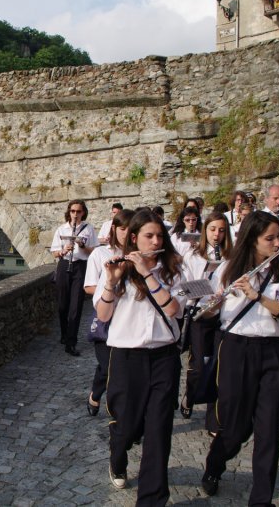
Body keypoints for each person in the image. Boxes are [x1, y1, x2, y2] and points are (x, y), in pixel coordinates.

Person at [200, 211, 279, 504]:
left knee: (270, 429)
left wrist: (259, 297)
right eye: (270, 237)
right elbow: (209, 313)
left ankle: (261, 499)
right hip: (237, 348)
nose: (278, 241)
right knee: (236, 427)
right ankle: (215, 464)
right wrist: (212, 304)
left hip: (273, 348)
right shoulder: (229, 269)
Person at [95, 210, 183, 503]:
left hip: (164, 357)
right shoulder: (118, 270)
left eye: (159, 236)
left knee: (158, 432)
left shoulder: (172, 269)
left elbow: (172, 309)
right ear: (134, 238)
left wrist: (146, 271)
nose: (155, 240)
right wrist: (111, 281)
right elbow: (102, 315)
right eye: (149, 236)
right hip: (126, 358)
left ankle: (152, 499)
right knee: (127, 426)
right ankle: (117, 458)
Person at [180, 211, 232, 436]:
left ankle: (213, 420)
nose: (217, 235)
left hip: (223, 315)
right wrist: (205, 288)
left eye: (221, 230)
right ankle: (190, 395)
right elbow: (184, 287)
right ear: (205, 231)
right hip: (200, 315)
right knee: (199, 366)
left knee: (218, 368)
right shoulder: (194, 256)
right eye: (212, 230)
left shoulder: (232, 256)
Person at [84, 209, 134, 416]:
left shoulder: (138, 257)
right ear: (114, 229)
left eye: (131, 230)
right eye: (123, 229)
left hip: (130, 321)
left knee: (124, 373)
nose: (126, 234)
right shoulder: (100, 253)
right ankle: (95, 394)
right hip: (107, 319)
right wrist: (111, 290)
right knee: (107, 368)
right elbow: (89, 287)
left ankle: (124, 418)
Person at [50, 199, 98, 356]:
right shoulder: (61, 229)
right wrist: (63, 250)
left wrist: (82, 246)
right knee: (62, 305)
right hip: (64, 265)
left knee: (76, 306)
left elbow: (94, 251)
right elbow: (54, 252)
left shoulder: (88, 229)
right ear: (69, 212)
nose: (75, 214)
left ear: (83, 212)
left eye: (78, 211)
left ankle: (71, 342)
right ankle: (64, 335)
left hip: (80, 267)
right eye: (73, 211)